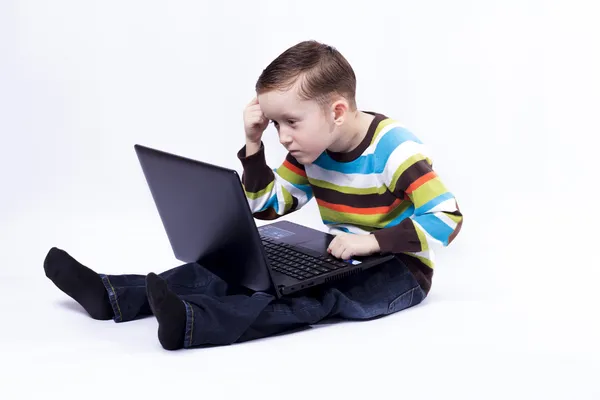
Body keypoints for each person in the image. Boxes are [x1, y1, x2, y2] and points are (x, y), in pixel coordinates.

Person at [44, 40, 463, 351]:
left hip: (398, 269)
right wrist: (253, 147)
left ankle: (192, 324)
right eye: (275, 124)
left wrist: (369, 241)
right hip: (339, 255)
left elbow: (447, 216)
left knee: (314, 298)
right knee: (237, 266)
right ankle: (114, 295)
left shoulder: (394, 149)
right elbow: (270, 206)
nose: (284, 137)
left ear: (336, 111)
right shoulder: (311, 148)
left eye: (291, 123)